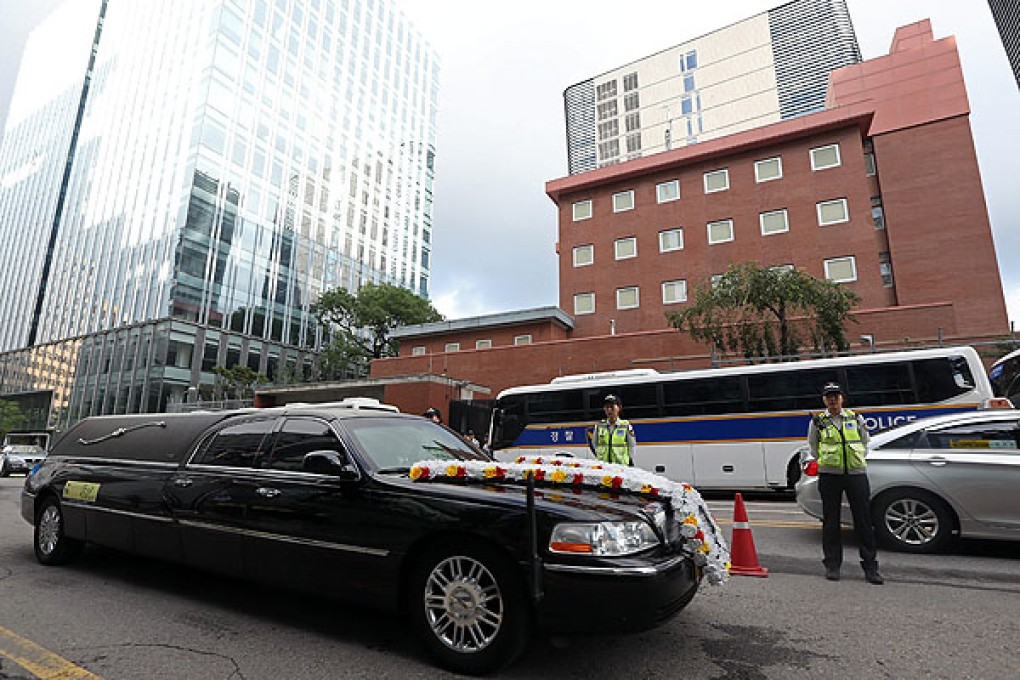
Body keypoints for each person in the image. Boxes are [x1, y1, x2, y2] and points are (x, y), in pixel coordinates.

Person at [807, 382, 884, 585]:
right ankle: (832, 565)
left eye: (836, 396)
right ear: (824, 400)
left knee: (864, 521)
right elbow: (813, 447)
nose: (832, 400)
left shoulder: (855, 417)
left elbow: (865, 441)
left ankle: (870, 567)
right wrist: (829, 462)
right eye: (828, 396)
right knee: (831, 522)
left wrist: (856, 461)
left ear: (842, 398)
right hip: (829, 476)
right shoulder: (818, 422)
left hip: (856, 475)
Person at [588, 394, 636, 466]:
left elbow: (631, 445)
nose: (609, 410)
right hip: (604, 466)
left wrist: (628, 460)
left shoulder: (625, 426)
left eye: (612, 407)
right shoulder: (599, 426)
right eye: (606, 407)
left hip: (620, 467)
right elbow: (594, 444)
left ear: (619, 408)